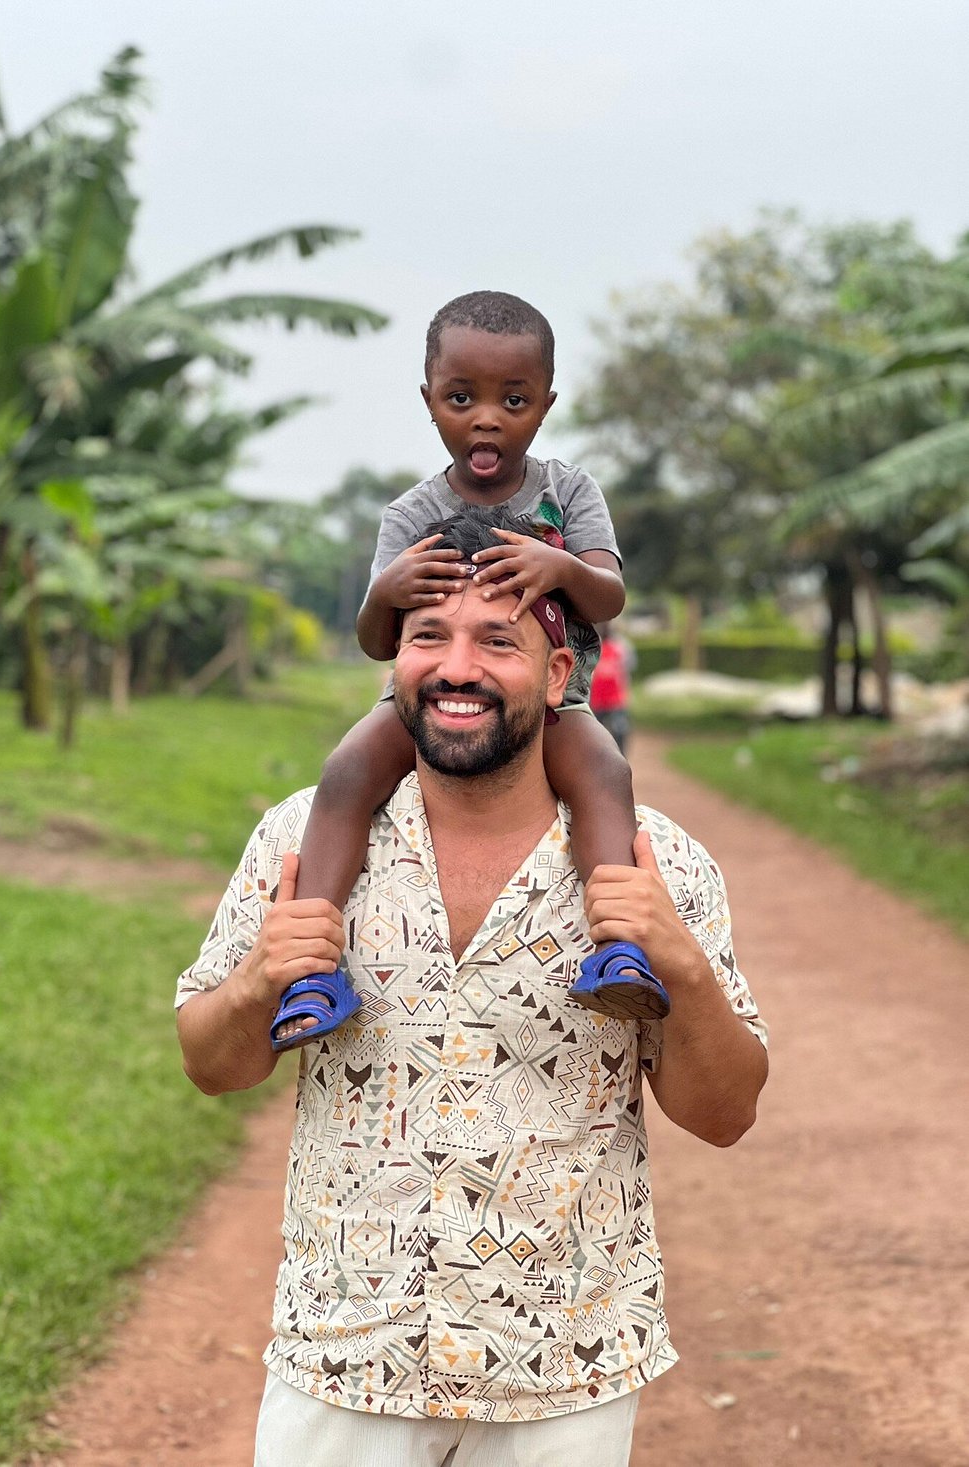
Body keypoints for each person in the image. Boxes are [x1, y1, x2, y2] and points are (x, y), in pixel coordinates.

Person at [176, 514, 769, 1467]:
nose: (457, 668)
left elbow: (726, 1110)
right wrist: (259, 981)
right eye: (427, 637)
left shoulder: (657, 868)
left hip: (563, 1371)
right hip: (347, 1355)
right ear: (394, 662)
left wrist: (683, 970)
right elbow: (209, 1063)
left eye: (498, 640)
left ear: (560, 674)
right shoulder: (304, 842)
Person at [271, 289, 667, 1054]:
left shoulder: (570, 495)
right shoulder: (411, 515)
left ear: (545, 405)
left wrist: (558, 565)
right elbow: (376, 641)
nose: (487, 418)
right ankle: (309, 967)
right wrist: (384, 591)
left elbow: (608, 596)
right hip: (425, 701)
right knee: (348, 770)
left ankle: (620, 946)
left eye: (513, 399)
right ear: (429, 401)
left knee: (604, 774)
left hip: (556, 700)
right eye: (462, 397)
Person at [589, 624, 635, 756]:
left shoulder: (621, 646)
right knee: (595, 735)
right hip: (597, 699)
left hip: (616, 699)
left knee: (620, 731)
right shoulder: (593, 646)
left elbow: (628, 668)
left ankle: (621, 758)